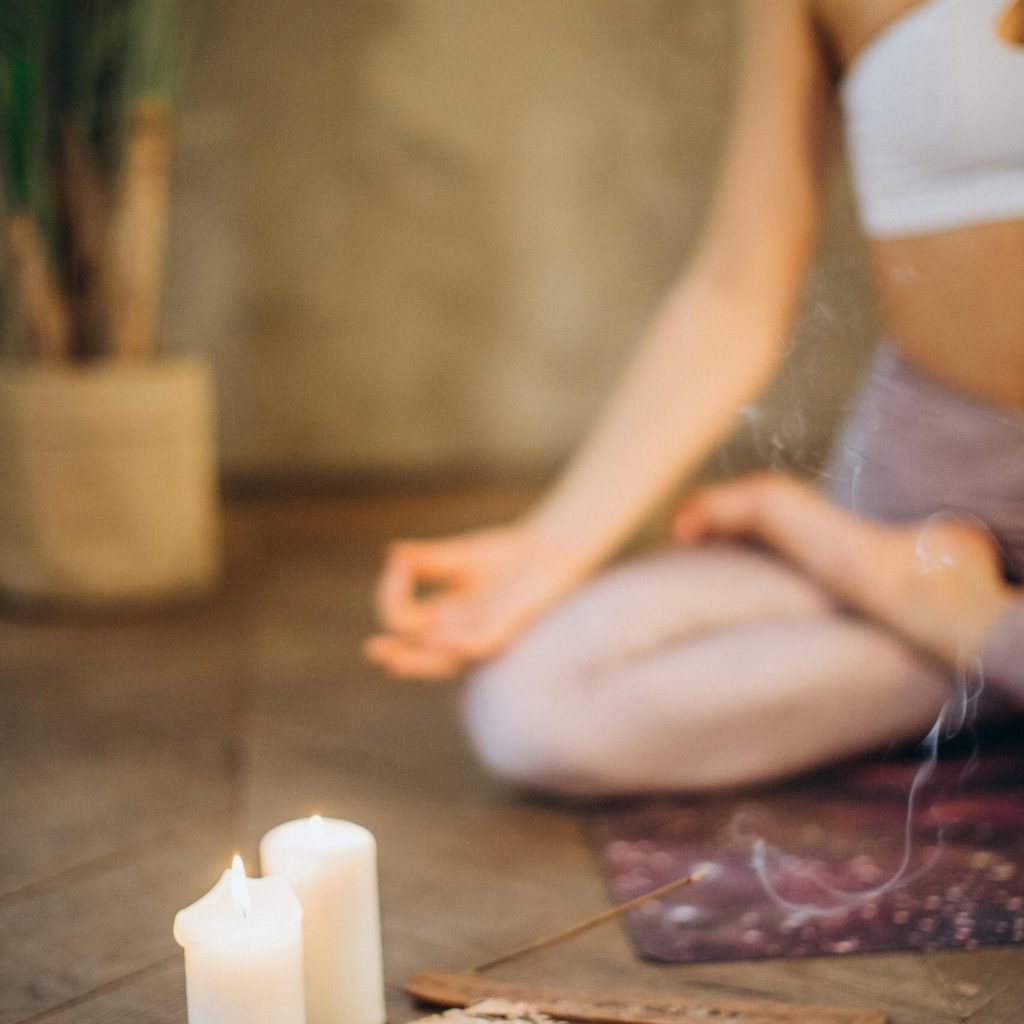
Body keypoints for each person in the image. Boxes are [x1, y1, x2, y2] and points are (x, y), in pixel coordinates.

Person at [366, 0, 1024, 795]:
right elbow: (736, 293)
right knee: (537, 706)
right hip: (917, 508)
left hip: (919, 574)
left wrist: (970, 620)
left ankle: (972, 628)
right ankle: (973, 638)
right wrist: (555, 543)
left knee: (966, 620)